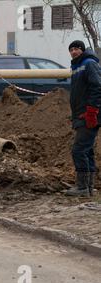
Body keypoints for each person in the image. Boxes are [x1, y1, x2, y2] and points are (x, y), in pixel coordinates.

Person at [66, 41, 101, 197]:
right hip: (81, 114)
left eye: (77, 49)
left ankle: (82, 188)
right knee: (87, 151)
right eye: (71, 49)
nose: (74, 52)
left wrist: (92, 112)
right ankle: (88, 187)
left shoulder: (89, 64)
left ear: (82, 50)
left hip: (88, 114)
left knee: (79, 150)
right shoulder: (77, 67)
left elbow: (97, 86)